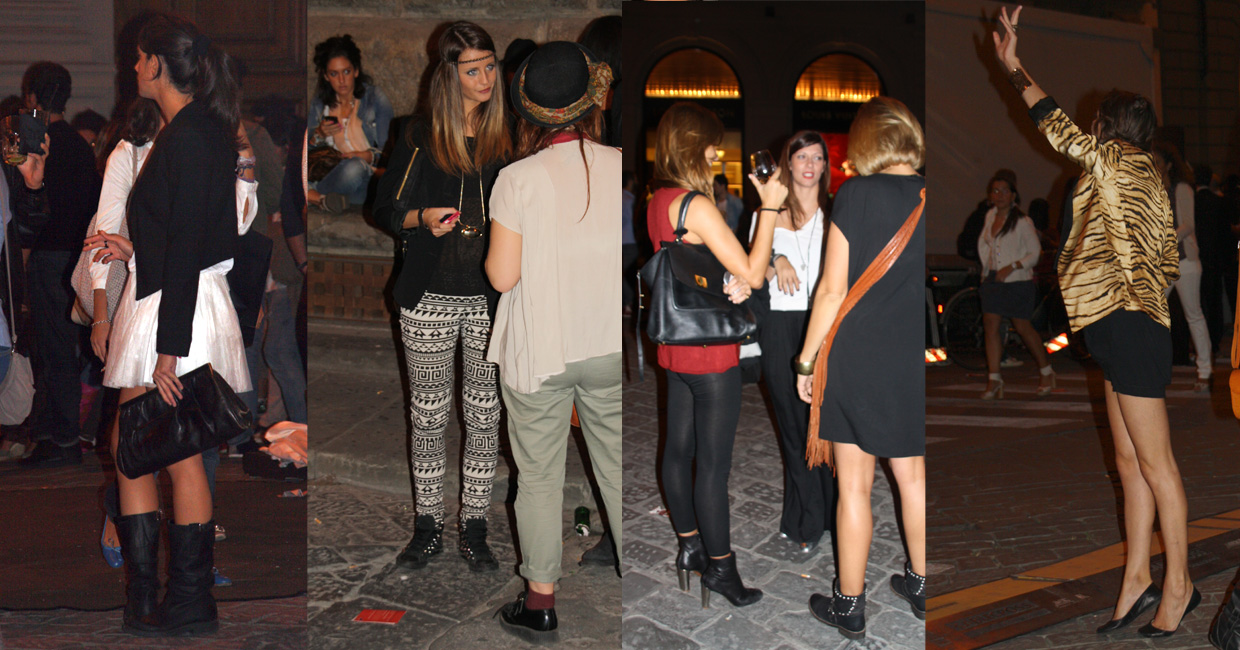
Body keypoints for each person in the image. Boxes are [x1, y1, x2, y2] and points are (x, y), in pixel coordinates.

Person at [992, 7, 1196, 637]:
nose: (1092, 130)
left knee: (1156, 465)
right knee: (1130, 464)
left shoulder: (1113, 160)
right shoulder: (1148, 177)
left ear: (1109, 128)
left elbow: (1057, 128)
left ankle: (1180, 585)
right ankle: (1136, 579)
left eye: (1098, 124)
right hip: (1121, 323)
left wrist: (1014, 67)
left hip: (1127, 324)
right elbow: (1167, 262)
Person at [90, 13, 254, 636]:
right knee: (157, 453)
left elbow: (190, 243)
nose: (132, 67)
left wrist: (169, 352)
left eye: (139, 57)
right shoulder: (200, 130)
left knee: (147, 453)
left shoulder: (188, 134)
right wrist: (135, 250)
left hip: (173, 310)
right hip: (176, 297)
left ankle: (166, 600)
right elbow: (199, 233)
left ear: (158, 64)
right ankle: (174, 601)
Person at [483, 41, 620, 641]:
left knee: (538, 477)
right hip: (608, 343)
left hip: (539, 347)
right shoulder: (619, 164)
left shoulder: (516, 178)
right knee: (615, 468)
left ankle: (540, 602)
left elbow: (501, 277)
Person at [372, 20, 510, 574]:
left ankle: (474, 527)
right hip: (429, 295)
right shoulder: (420, 133)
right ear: (449, 75)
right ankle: (427, 526)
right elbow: (383, 208)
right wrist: (421, 217)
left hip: (490, 299)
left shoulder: (510, 135)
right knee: (428, 416)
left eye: (490, 66)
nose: (485, 78)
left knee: (484, 416)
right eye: (472, 70)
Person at [792, 96, 925, 640]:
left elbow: (831, 289)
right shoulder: (927, 193)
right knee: (912, 479)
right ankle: (922, 585)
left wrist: (805, 360)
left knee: (854, 485)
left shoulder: (856, 194)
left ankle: (849, 604)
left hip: (857, 357)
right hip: (909, 360)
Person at [648, 101, 787, 608]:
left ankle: (690, 546)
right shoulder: (698, 205)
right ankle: (722, 570)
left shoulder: (658, 199)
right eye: (711, 145)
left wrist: (730, 279)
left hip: (676, 347)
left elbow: (693, 266)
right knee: (712, 467)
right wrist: (769, 207)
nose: (716, 153)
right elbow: (754, 272)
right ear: (694, 145)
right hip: (710, 355)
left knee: (676, 451)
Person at [749, 130, 835, 554]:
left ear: (825, 166)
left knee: (826, 424)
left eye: (817, 157)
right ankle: (806, 517)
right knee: (793, 426)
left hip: (826, 324)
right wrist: (776, 258)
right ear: (788, 162)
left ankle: (831, 512)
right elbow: (751, 271)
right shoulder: (768, 212)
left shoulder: (836, 214)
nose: (809, 165)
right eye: (802, 156)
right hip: (781, 326)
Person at [14, 61, 102, 470]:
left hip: (48, 256)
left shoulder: (37, 142)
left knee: (53, 350)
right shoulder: (81, 147)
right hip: (79, 257)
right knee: (63, 348)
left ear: (32, 97)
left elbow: (26, 208)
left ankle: (61, 438)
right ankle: (55, 435)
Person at [976, 170, 1053, 399]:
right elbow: (985, 246)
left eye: (1004, 191)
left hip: (1017, 282)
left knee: (1022, 327)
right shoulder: (990, 216)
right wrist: (987, 271)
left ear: (1013, 195)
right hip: (993, 280)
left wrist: (1012, 266)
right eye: (995, 191)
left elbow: (1035, 253)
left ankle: (1046, 371)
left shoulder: (1022, 221)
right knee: (991, 327)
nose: (999, 195)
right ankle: (994, 379)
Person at [308, 34, 393, 211]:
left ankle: (318, 197)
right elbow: (307, 153)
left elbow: (390, 152)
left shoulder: (374, 98)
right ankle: (327, 199)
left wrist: (367, 156)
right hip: (333, 174)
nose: (341, 80)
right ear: (326, 76)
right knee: (294, 170)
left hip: (367, 172)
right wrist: (319, 134)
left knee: (356, 168)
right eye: (334, 74)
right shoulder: (320, 104)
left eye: (346, 72)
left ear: (356, 71)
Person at [1153, 143, 1211, 390]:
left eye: (1157, 161)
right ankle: (1153, 368)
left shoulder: (1182, 188)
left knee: (1193, 316)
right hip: (1163, 264)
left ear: (1168, 165)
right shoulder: (1152, 189)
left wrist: (1163, 240)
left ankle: (1204, 371)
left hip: (1185, 261)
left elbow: (1188, 225)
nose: (1153, 165)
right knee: (1152, 316)